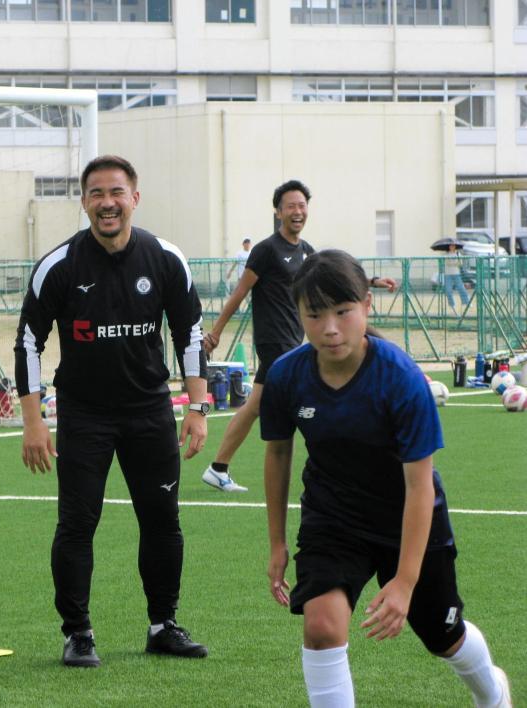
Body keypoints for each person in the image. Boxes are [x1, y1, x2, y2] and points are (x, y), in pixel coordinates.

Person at [261, 250, 511, 708]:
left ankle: (493, 695)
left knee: (443, 635)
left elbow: (419, 485)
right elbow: (278, 453)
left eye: (343, 312)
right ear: (299, 314)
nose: (330, 328)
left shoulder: (400, 378)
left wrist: (404, 581)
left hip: (408, 519)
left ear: (366, 307)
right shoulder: (287, 376)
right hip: (333, 518)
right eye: (315, 315)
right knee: (321, 627)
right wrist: (276, 542)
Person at [15, 155, 211, 668]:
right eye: (97, 193)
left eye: (117, 192)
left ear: (135, 198)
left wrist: (198, 405)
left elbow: (189, 333)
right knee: (77, 525)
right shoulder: (58, 266)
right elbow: (28, 343)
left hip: (150, 410)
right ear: (84, 202)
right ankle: (78, 633)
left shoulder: (165, 258)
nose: (108, 203)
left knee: (162, 522)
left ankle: (163, 624)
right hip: (85, 414)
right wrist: (33, 421)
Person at [201, 180, 395, 493]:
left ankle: (219, 467)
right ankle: (223, 467)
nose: (297, 211)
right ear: (278, 212)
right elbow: (240, 292)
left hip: (295, 339)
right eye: (291, 206)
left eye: (302, 206)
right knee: (276, 404)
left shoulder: (305, 251)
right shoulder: (266, 251)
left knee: (255, 405)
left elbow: (332, 277)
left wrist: (371, 280)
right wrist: (217, 332)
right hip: (274, 341)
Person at [443, 241, 470, 312]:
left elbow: (460, 263)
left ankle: (466, 302)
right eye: (450, 246)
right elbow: (447, 263)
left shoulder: (458, 254)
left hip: (456, 273)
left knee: (461, 288)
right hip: (447, 274)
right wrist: (454, 263)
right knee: (448, 290)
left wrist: (453, 263)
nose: (452, 247)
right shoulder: (446, 254)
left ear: (455, 246)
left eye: (453, 245)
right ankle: (451, 304)